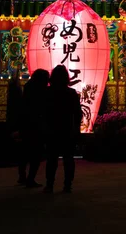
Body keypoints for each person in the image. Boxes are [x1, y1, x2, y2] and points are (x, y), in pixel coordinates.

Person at [43, 65, 82, 193]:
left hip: (52, 129)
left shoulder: (47, 93)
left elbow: (43, 112)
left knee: (51, 159)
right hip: (67, 129)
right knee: (68, 158)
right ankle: (67, 184)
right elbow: (77, 113)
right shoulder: (71, 93)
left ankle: (50, 184)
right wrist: (76, 128)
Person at [18, 69, 49, 188]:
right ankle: (30, 178)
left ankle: (22, 176)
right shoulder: (40, 90)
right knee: (35, 153)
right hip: (35, 124)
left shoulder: (28, 87)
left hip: (26, 123)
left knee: (25, 151)